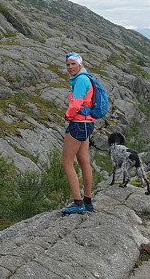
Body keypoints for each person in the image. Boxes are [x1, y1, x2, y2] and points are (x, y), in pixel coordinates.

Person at [61, 52, 94, 214]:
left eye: (73, 64)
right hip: (88, 123)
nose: (70, 67)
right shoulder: (86, 77)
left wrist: (68, 115)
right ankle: (88, 201)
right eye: (68, 64)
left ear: (80, 64)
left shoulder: (81, 80)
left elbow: (75, 104)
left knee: (67, 162)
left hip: (78, 124)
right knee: (84, 161)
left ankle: (78, 202)